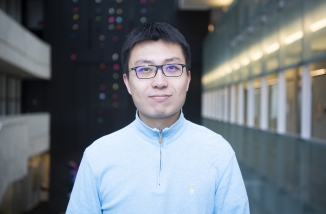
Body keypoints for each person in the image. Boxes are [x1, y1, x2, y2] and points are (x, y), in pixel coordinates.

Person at [66, 22, 249, 214]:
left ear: (187, 79)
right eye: (145, 70)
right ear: (127, 83)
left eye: (172, 68)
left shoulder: (218, 152)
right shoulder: (97, 157)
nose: (159, 82)